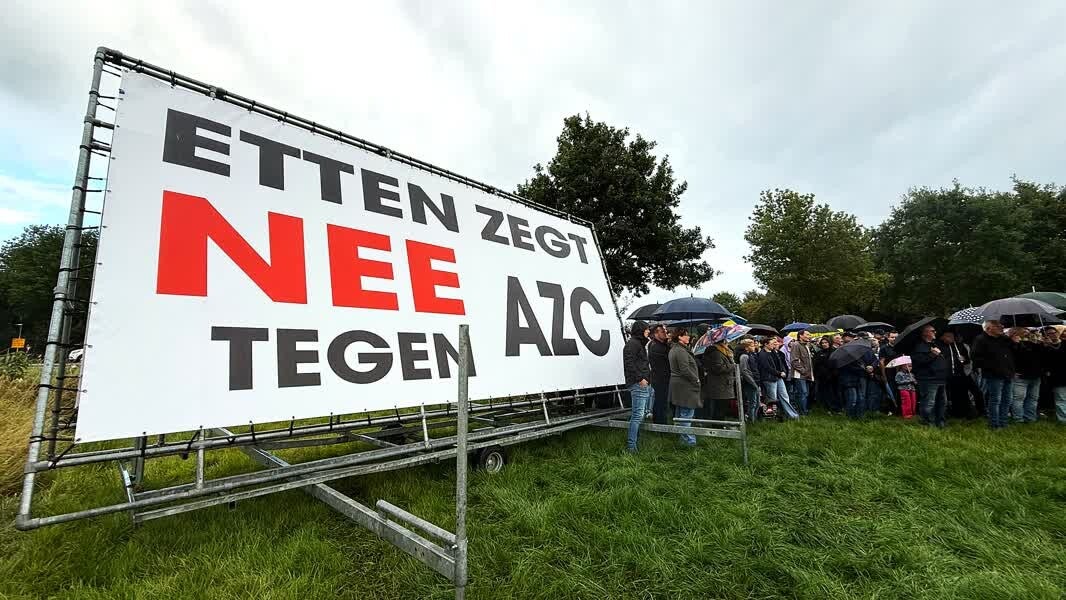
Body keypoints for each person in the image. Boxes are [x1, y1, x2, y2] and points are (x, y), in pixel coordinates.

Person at [971, 320, 1014, 430]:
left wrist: (1012, 339)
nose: (1001, 327)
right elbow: (975, 358)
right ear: (989, 328)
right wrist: (992, 366)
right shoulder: (980, 339)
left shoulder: (1003, 339)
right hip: (993, 375)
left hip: (1007, 373)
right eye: (997, 326)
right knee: (995, 400)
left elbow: (1012, 352)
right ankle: (994, 424)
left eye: (1001, 325)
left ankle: (1003, 422)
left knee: (1007, 400)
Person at [668, 327, 701, 446]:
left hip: (680, 385)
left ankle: (683, 439)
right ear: (679, 337)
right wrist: (696, 379)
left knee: (681, 413)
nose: (688, 337)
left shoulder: (675, 349)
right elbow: (685, 370)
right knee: (686, 414)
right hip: (685, 386)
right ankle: (689, 441)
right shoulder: (680, 351)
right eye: (686, 335)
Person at [622, 321, 651, 452]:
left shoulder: (637, 343)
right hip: (638, 384)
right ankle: (631, 447)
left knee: (640, 415)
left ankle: (635, 443)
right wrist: (640, 379)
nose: (648, 331)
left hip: (641, 383)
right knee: (637, 415)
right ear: (640, 330)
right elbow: (629, 363)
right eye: (646, 329)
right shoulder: (633, 344)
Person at [911, 325, 949, 427]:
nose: (935, 332)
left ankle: (940, 422)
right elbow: (920, 361)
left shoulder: (934, 344)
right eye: (932, 331)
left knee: (942, 402)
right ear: (925, 333)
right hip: (928, 379)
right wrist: (933, 355)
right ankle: (927, 424)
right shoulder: (919, 346)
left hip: (940, 378)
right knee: (929, 403)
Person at [940, 330, 981, 419]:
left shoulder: (960, 346)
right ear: (942, 337)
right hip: (947, 375)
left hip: (961, 374)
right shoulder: (940, 347)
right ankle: (956, 413)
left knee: (964, 394)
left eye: (952, 336)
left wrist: (964, 359)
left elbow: (967, 360)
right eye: (948, 336)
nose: (951, 338)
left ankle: (968, 412)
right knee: (952, 395)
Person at [754, 338, 799, 419]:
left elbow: (779, 363)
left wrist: (782, 371)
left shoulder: (773, 352)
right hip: (769, 378)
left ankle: (792, 415)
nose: (774, 345)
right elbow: (767, 367)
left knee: (784, 396)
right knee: (772, 398)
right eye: (771, 343)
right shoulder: (762, 354)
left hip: (778, 377)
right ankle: (771, 415)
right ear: (766, 344)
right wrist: (779, 373)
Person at [703, 328, 738, 421]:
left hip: (723, 384)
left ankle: (719, 424)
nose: (727, 343)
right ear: (722, 342)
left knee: (721, 407)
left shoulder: (723, 351)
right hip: (720, 385)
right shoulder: (716, 353)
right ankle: (718, 425)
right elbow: (718, 368)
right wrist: (733, 366)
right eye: (726, 341)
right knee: (720, 408)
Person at [1010, 327, 1042, 424]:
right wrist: (1014, 343)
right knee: (1018, 398)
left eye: (1027, 330)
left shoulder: (1033, 344)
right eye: (1024, 331)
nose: (1027, 332)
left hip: (1035, 375)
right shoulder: (1012, 344)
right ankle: (1018, 419)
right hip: (1020, 376)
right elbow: (1009, 359)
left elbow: (1040, 357)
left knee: (1033, 398)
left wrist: (1039, 343)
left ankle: (1030, 418)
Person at [646, 323, 672, 425]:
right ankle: (660, 424)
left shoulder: (661, 344)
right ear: (656, 334)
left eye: (666, 331)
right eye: (663, 331)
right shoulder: (655, 346)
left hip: (663, 377)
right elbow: (667, 358)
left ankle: (660, 422)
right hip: (660, 378)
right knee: (660, 402)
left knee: (662, 402)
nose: (665, 333)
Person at [1043, 326, 1066, 423]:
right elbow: (1047, 361)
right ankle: (1063, 420)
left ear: (1058, 333)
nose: (1053, 335)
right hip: (1057, 377)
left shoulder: (1064, 343)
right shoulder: (1044, 348)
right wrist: (1047, 346)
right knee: (1061, 398)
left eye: (1054, 332)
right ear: (1045, 336)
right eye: (1049, 334)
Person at [789, 330, 814, 415]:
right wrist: (803, 371)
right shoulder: (796, 345)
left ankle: (804, 410)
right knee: (802, 393)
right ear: (801, 336)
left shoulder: (806, 345)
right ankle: (802, 412)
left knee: (806, 393)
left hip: (807, 374)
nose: (809, 336)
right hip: (799, 375)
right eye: (807, 334)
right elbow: (794, 361)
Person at [738, 338, 761, 422]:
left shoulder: (752, 355)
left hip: (756, 381)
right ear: (746, 347)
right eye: (752, 346)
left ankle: (754, 418)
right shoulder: (744, 356)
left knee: (757, 402)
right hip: (750, 382)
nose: (754, 347)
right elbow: (744, 371)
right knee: (752, 402)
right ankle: (751, 420)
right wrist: (752, 382)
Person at [813, 336, 836, 412]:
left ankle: (835, 408)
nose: (824, 344)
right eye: (822, 343)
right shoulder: (819, 353)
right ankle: (827, 408)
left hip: (833, 376)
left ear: (829, 343)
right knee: (825, 393)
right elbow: (816, 365)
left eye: (826, 342)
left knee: (834, 392)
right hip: (822, 377)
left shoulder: (834, 352)